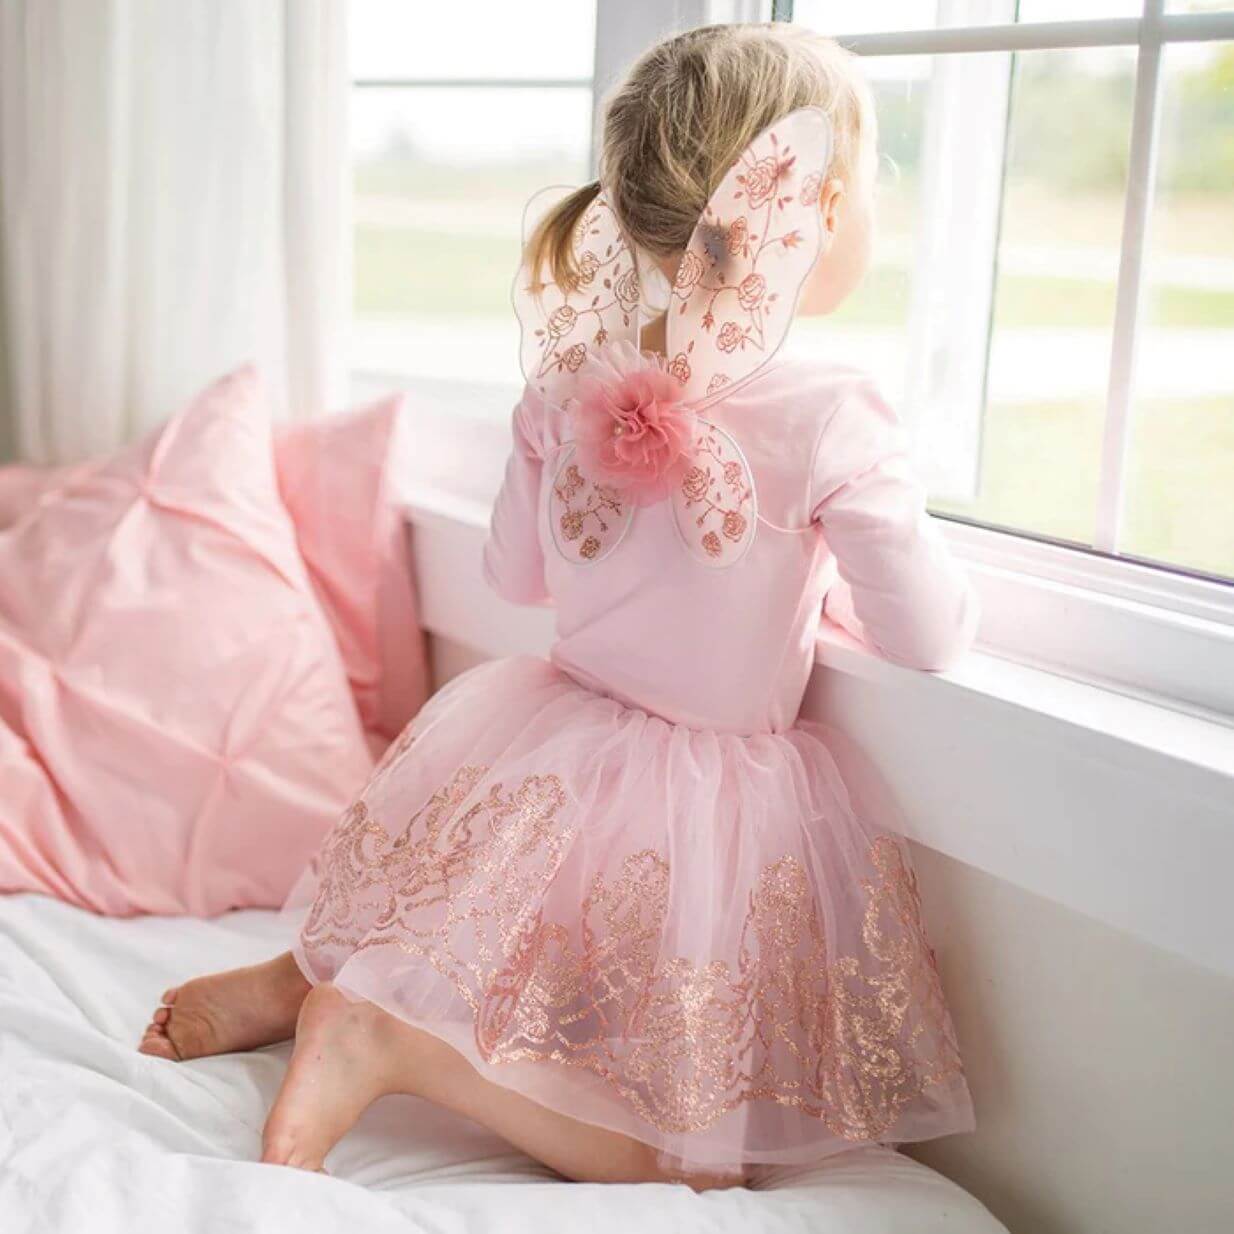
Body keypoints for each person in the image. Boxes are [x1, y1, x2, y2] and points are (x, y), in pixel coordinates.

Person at [140, 22, 979, 1190]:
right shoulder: (831, 413)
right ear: (817, 208)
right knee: (690, 1164)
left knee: (509, 963)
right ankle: (384, 1035)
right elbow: (926, 631)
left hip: (544, 760)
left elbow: (516, 580)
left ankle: (308, 978)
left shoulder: (569, 379)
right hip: (693, 810)